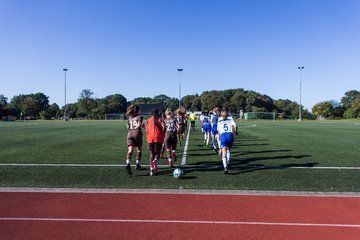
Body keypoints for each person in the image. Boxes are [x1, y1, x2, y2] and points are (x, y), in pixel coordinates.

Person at [217, 107, 238, 174]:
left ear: (222, 113)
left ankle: (225, 167)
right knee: (228, 149)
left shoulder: (219, 119)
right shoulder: (231, 118)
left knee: (224, 152)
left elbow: (219, 130)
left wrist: (219, 136)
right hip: (230, 135)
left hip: (223, 135)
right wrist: (236, 131)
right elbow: (235, 125)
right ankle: (228, 161)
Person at [125, 104, 144, 176]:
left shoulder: (130, 117)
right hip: (137, 134)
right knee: (139, 149)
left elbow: (128, 127)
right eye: (140, 110)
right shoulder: (140, 117)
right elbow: (139, 125)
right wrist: (143, 125)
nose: (140, 111)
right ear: (137, 110)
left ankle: (128, 163)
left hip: (129, 134)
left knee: (130, 151)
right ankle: (137, 164)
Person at [146, 108, 165, 176]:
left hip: (150, 138)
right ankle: (155, 161)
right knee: (158, 153)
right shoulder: (160, 119)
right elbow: (164, 127)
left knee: (151, 154)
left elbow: (146, 129)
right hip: (158, 138)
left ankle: (151, 170)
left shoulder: (149, 119)